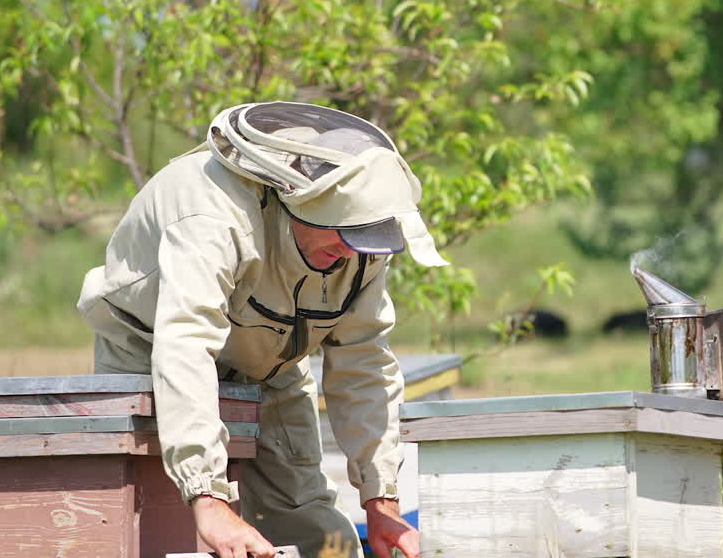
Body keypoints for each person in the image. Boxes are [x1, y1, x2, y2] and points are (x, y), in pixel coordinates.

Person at [77, 101, 447, 558]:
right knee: (158, 523)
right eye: (341, 235)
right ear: (296, 204)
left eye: (363, 239)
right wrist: (207, 497)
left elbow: (364, 359)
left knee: (311, 527)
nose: (350, 252)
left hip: (271, 363)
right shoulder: (211, 216)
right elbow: (185, 345)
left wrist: (380, 498)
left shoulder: (361, 238)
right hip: (149, 351)